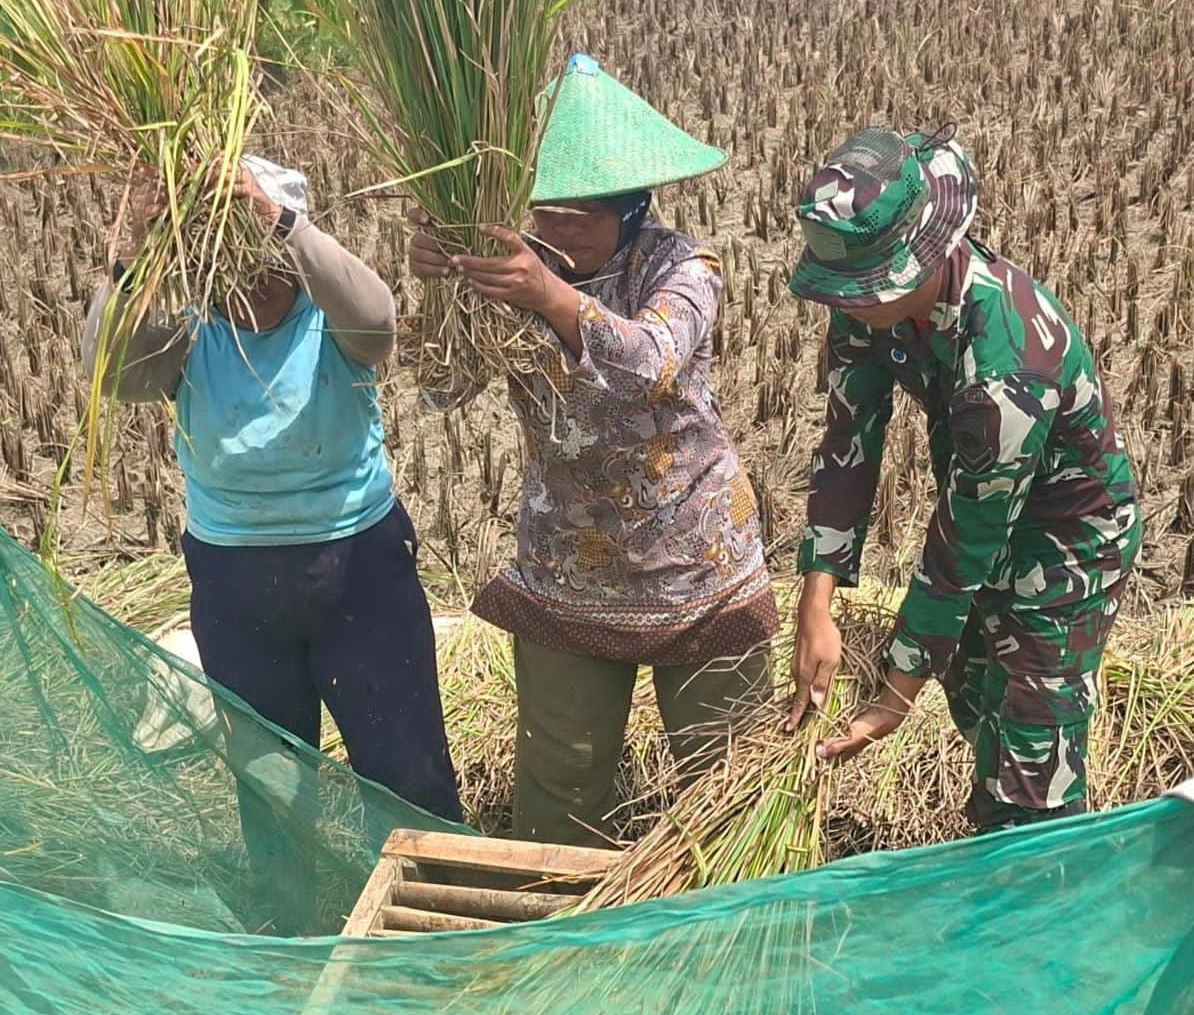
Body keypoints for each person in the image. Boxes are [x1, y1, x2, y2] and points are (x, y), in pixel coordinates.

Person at [409, 54, 777, 847]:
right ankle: (558, 916)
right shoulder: (512, 268)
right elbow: (439, 388)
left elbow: (649, 365)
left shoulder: (683, 267)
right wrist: (442, 287)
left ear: (634, 208)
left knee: (729, 781)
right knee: (561, 782)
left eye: (580, 217)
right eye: (546, 213)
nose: (558, 231)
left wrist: (551, 296)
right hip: (569, 566)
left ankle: (737, 915)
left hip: (696, 561)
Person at [83, 155, 461, 926]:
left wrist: (277, 219)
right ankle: (292, 927)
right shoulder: (190, 325)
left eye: (263, 256)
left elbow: (379, 325)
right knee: (270, 778)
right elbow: (113, 376)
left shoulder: (330, 313)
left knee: (405, 767)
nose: (249, 282)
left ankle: (437, 918)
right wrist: (132, 256)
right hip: (236, 581)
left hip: (357, 568)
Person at [786, 125, 1140, 831]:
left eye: (862, 288)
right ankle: (994, 826)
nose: (847, 304)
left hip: (1067, 548)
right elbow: (849, 441)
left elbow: (966, 540)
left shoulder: (1008, 363)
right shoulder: (869, 306)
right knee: (976, 702)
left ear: (923, 256)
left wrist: (893, 697)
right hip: (984, 514)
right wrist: (815, 599)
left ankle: (1041, 862)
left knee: (1032, 764)